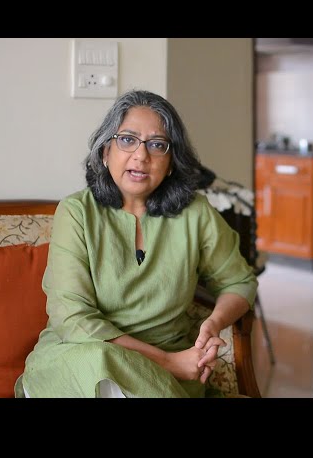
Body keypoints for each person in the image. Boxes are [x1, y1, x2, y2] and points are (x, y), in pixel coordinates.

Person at [14, 89, 258, 398]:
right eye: (127, 140)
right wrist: (169, 362)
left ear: (171, 162)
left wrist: (213, 322)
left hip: (161, 379)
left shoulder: (195, 214)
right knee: (100, 360)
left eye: (157, 145)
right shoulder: (76, 212)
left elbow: (239, 282)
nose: (141, 156)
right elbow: (73, 317)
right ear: (105, 152)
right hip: (77, 363)